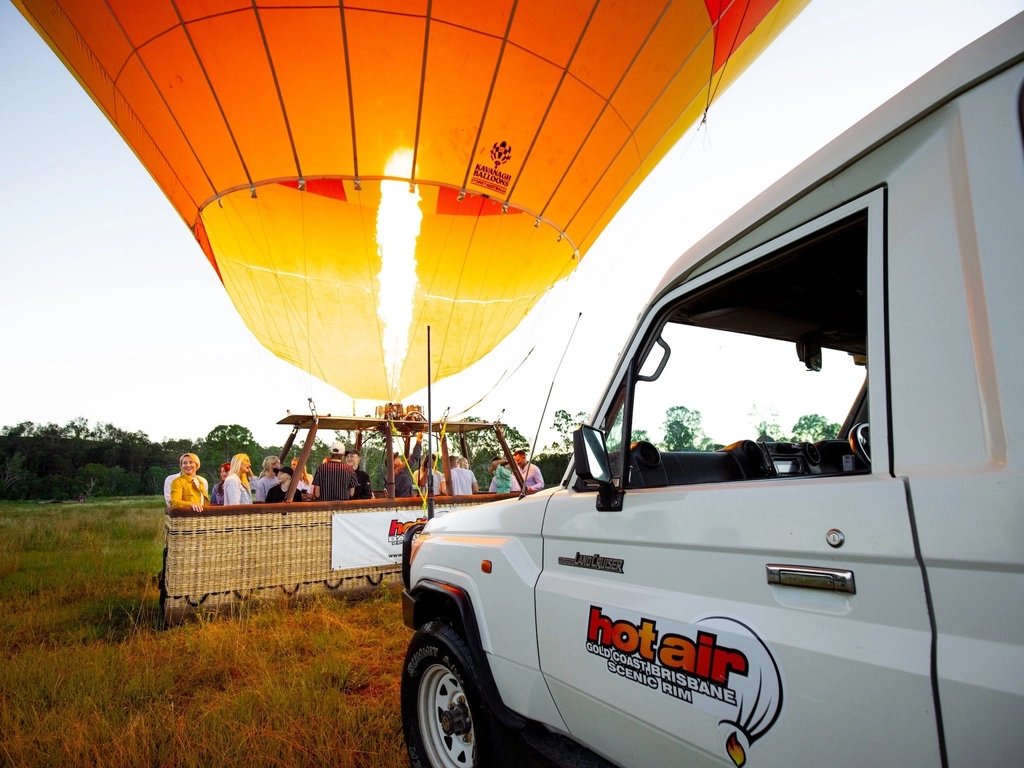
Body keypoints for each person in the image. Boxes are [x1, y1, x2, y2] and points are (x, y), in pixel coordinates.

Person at [392, 433, 423, 498]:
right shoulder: (400, 469)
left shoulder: (391, 475)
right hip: (405, 502)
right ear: (393, 463)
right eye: (396, 458)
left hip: (400, 500)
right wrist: (418, 441)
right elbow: (414, 456)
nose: (399, 458)